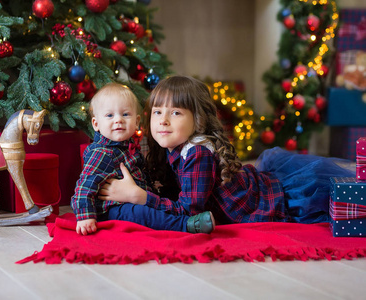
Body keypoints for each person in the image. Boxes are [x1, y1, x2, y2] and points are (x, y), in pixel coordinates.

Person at [98, 75, 355, 225]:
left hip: (268, 202)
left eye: (175, 112)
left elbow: (189, 211)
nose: (163, 120)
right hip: (255, 183)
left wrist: (137, 197)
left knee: (331, 204)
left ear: (198, 120)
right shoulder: (173, 144)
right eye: (157, 112)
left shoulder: (198, 154)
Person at [71, 82, 215, 235]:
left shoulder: (129, 147)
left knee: (147, 210)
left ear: (137, 121)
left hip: (131, 198)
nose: (118, 120)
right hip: (112, 209)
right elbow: (83, 187)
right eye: (110, 115)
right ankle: (184, 225)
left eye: (125, 114)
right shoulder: (102, 153)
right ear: (96, 124)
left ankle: (174, 217)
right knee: (139, 214)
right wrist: (85, 216)